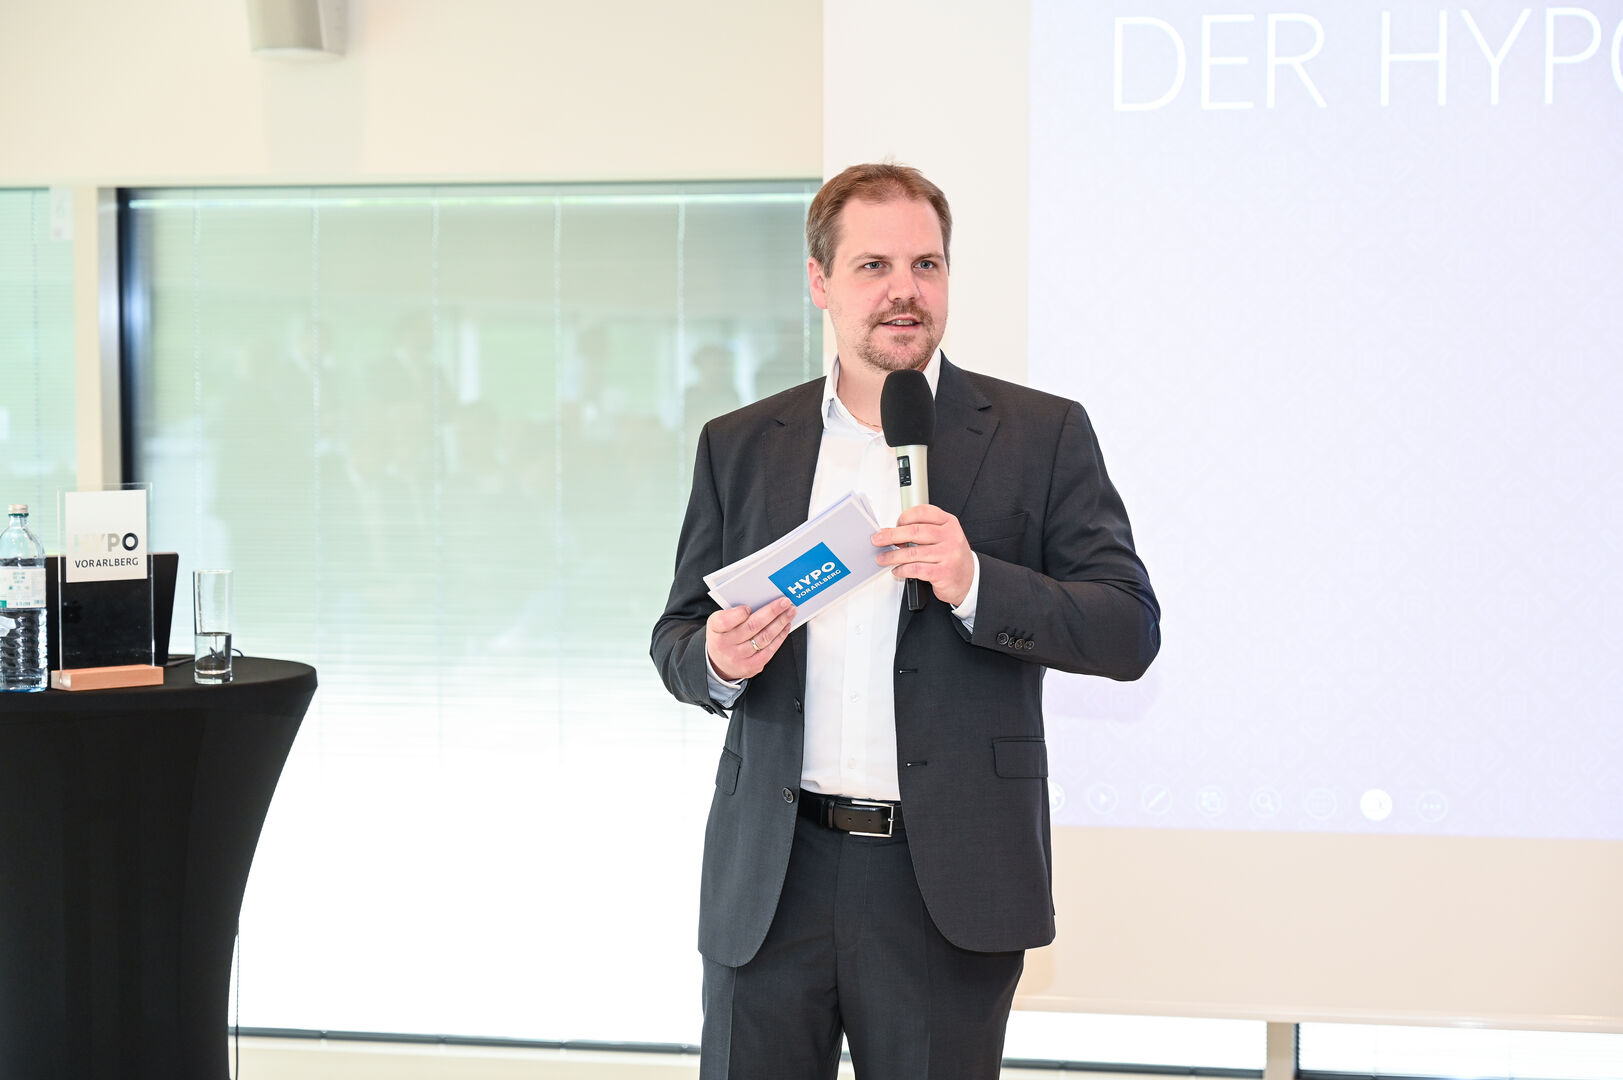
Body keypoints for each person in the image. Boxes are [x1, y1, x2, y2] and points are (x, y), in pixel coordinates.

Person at [650, 163, 1160, 1079]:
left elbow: (1127, 629)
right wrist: (717, 659)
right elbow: (677, 636)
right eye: (873, 265)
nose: (904, 290)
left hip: (943, 883)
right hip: (771, 877)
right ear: (819, 281)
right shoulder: (741, 442)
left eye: (926, 265)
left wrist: (976, 583)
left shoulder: (1038, 433)